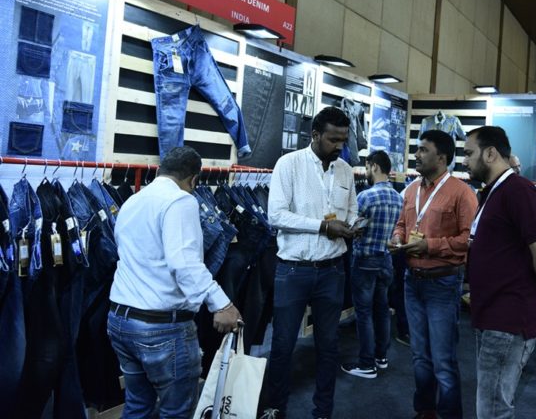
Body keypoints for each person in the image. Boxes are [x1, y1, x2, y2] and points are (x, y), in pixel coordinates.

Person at [108, 146, 241, 418]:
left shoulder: (132, 201)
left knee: (137, 406)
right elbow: (184, 262)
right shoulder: (181, 201)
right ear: (194, 180)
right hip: (160, 328)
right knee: (176, 412)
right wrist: (222, 304)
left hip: (121, 321)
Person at [261, 107, 358, 419]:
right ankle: (275, 409)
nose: (339, 146)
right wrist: (323, 226)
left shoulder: (345, 170)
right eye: (333, 139)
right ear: (315, 135)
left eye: (343, 140)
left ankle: (323, 411)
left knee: (329, 346)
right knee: (283, 344)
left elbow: (352, 209)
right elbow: (276, 215)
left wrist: (352, 225)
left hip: (333, 270)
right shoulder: (289, 164)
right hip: (293, 270)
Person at [463, 127, 536, 418]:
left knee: (492, 409)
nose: (465, 161)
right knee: (492, 404)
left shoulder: (518, 191)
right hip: (492, 314)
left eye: (469, 153)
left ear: (490, 153)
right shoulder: (495, 192)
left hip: (507, 319)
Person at [388, 130, 478, 419]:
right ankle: (425, 411)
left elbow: (468, 240)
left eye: (423, 150)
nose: (416, 154)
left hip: (443, 282)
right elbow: (402, 224)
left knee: (443, 360)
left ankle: (449, 414)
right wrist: (397, 237)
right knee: (419, 356)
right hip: (411, 281)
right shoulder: (411, 190)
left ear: (442, 157)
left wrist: (430, 245)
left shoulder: (462, 193)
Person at [341, 150, 403, 379]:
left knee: (364, 312)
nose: (366, 172)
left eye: (367, 168)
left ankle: (367, 364)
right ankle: (381, 357)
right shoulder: (399, 198)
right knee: (382, 309)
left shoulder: (365, 197)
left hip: (365, 260)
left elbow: (353, 227)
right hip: (386, 260)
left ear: (374, 166)